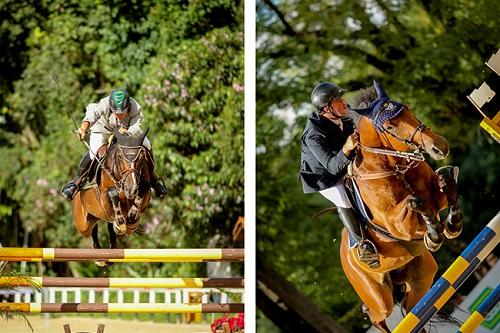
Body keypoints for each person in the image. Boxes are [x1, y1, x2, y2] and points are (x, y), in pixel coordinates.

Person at [299, 82, 380, 268]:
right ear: (327, 108)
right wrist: (347, 147)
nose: (344, 102)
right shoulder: (313, 134)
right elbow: (332, 166)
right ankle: (363, 245)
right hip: (325, 178)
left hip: (345, 164)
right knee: (343, 197)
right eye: (338, 101)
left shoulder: (344, 116)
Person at [60, 88, 168, 200]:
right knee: (93, 154)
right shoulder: (105, 103)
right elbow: (94, 113)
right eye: (116, 112)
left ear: (128, 106)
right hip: (103, 128)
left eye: (122, 113)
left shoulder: (135, 107)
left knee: (147, 144)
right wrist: (84, 127)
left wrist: (126, 132)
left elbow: (136, 127)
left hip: (126, 131)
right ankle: (76, 182)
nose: (119, 116)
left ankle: (153, 180)